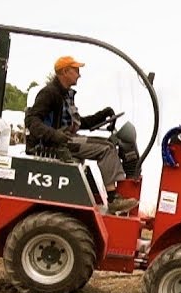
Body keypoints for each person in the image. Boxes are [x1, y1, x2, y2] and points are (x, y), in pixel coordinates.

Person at [25, 56, 139, 214]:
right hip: (58, 144)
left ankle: (114, 193)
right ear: (65, 71)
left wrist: (101, 115)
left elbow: (77, 123)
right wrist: (54, 135)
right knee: (106, 149)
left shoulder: (65, 94)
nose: (79, 75)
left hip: (67, 138)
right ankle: (113, 200)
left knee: (110, 143)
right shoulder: (49, 93)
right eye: (76, 71)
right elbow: (32, 121)